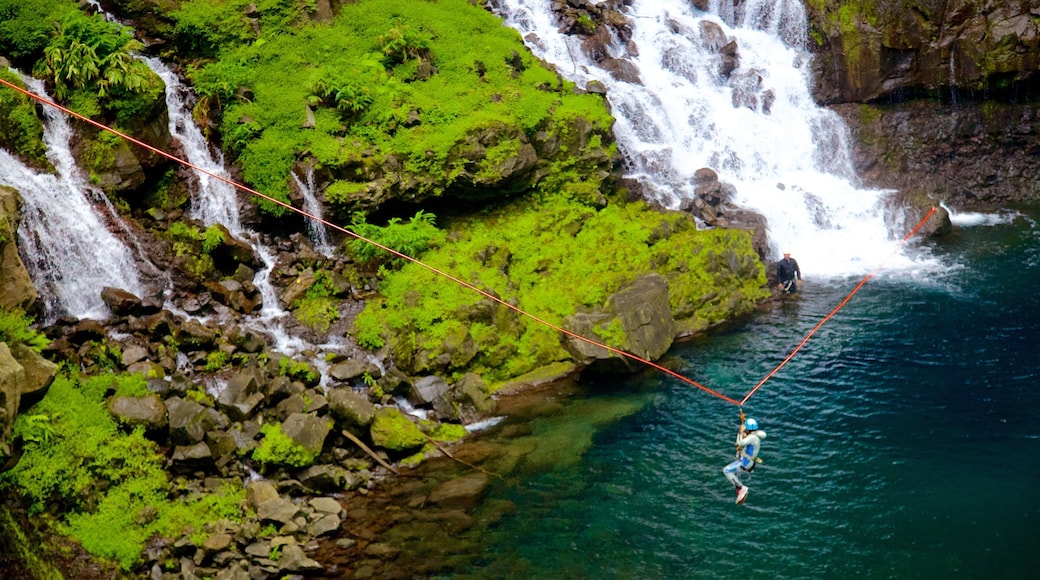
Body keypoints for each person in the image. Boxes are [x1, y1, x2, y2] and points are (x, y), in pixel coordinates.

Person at [722, 417, 767, 504]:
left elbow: (740, 443)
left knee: (726, 470)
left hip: (745, 462)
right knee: (730, 471)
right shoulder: (755, 436)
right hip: (749, 462)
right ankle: (739, 488)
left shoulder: (752, 438)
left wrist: (740, 431)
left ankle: (741, 488)